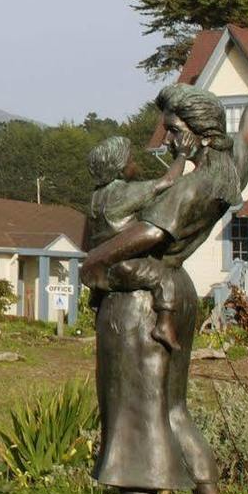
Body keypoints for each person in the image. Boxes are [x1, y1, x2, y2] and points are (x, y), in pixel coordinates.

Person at [80, 36, 248, 494]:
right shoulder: (227, 169)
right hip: (180, 294)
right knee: (174, 413)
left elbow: (148, 232)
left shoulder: (191, 187)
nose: (168, 139)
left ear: (198, 131)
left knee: (130, 420)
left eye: (174, 130)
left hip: (141, 302)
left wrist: (92, 261)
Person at [86, 135, 186, 351]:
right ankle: (164, 325)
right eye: (131, 160)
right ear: (120, 167)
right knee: (163, 278)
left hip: (101, 270)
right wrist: (182, 155)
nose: (135, 164)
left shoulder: (96, 197)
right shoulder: (122, 192)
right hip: (125, 264)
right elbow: (167, 181)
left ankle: (96, 301)